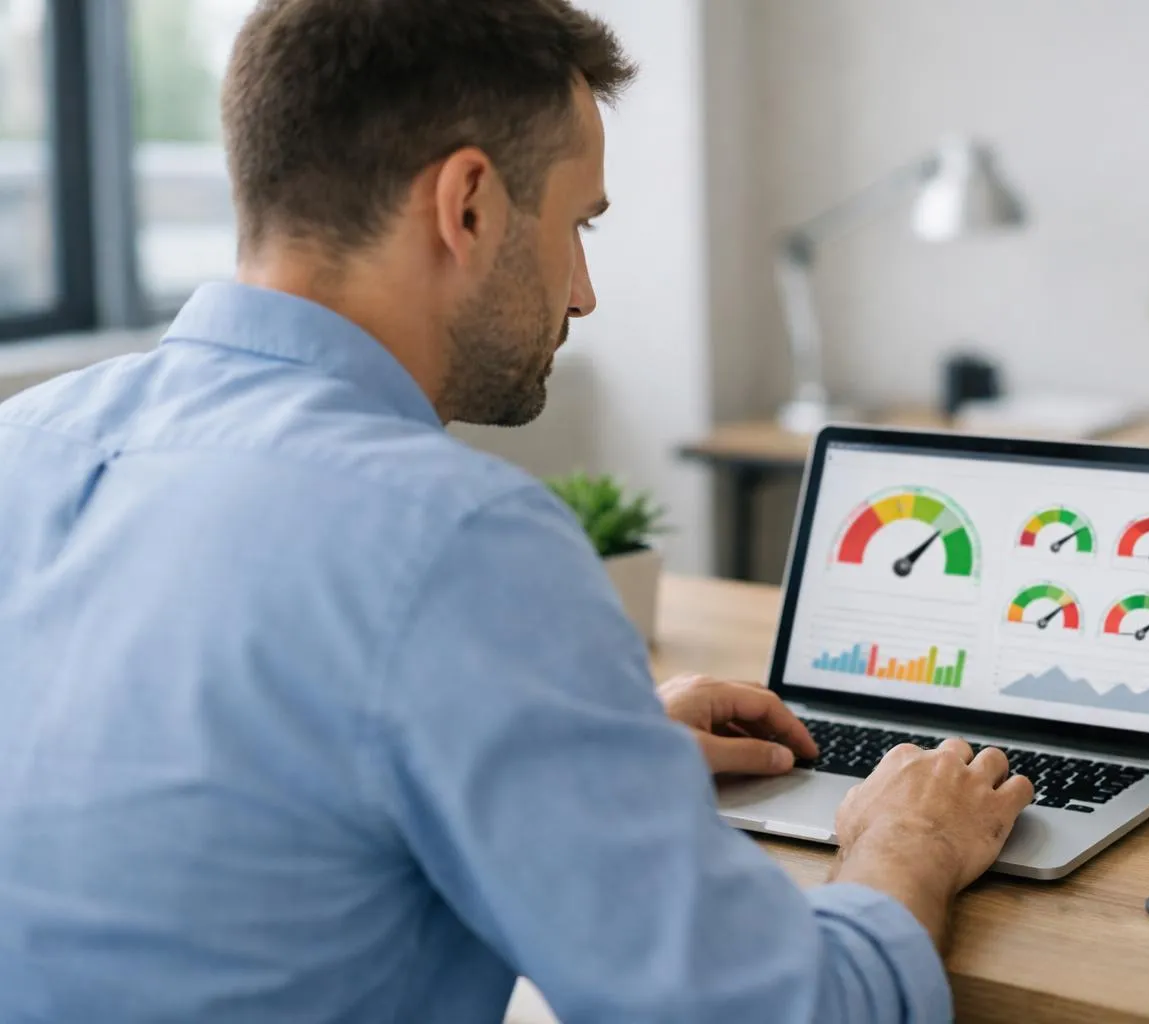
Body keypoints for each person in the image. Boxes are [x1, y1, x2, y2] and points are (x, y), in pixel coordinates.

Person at [0, 2, 1034, 1021]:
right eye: (579, 224)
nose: (582, 294)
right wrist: (908, 842)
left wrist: (584, 750)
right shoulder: (448, 536)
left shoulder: (26, 442)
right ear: (470, 205)